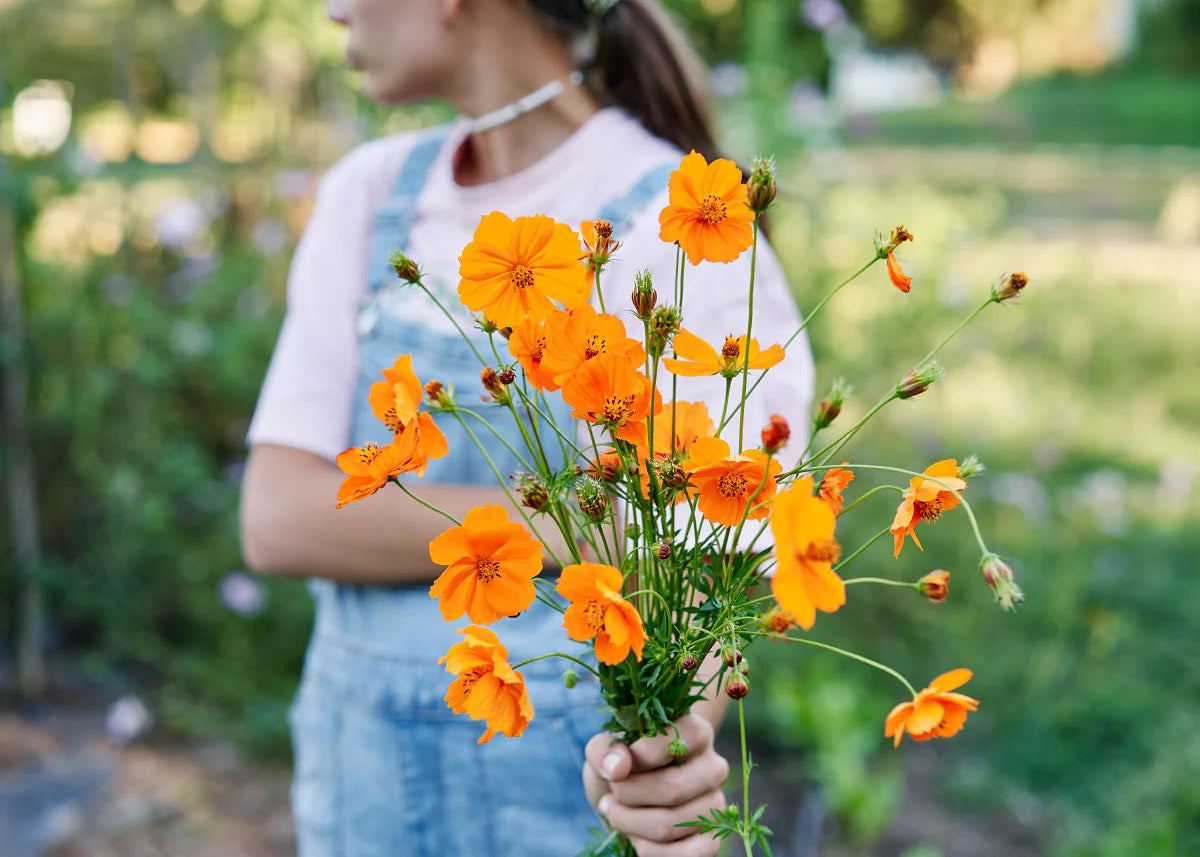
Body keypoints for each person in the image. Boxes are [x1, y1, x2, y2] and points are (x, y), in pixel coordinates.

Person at [239, 0, 814, 855]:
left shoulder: (684, 222)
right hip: (359, 792)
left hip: (573, 792)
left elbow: (708, 569)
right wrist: (571, 519)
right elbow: (278, 517)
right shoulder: (371, 194)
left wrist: (660, 762)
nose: (334, 10)